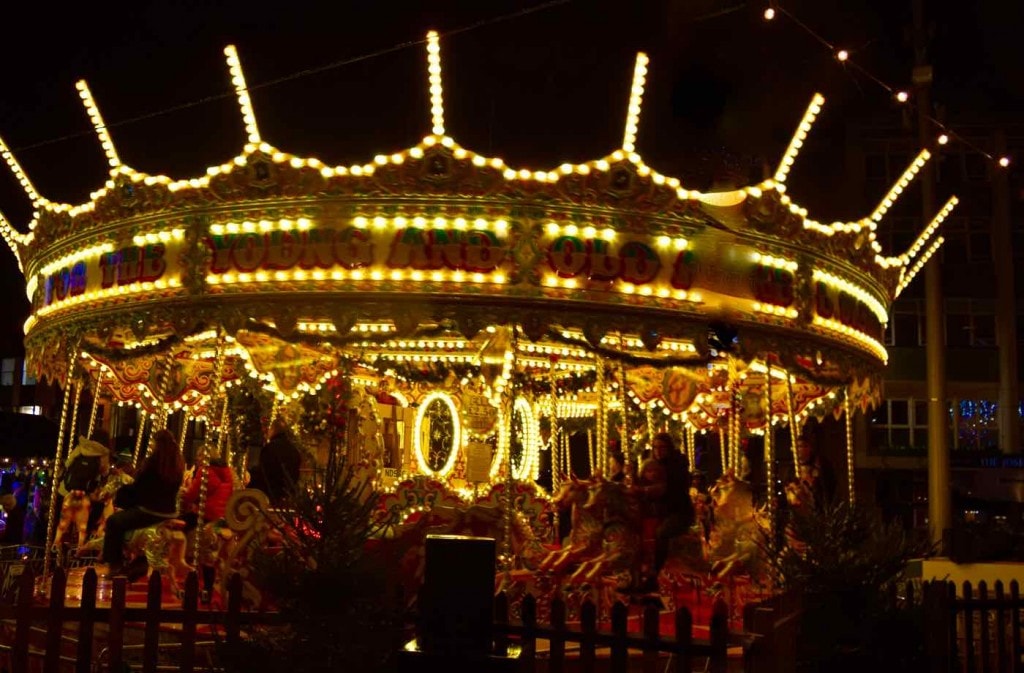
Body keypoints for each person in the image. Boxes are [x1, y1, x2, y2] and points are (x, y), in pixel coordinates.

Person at [97, 429, 185, 577]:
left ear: (158, 444)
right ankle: (136, 560)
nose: (150, 445)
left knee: (113, 521)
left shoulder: (153, 463)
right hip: (169, 511)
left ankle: (114, 564)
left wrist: (123, 493)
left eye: (152, 443)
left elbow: (140, 489)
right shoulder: (177, 464)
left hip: (150, 511)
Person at [635, 432, 695, 583]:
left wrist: (648, 490)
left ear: (669, 448)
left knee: (662, 532)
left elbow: (671, 489)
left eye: (662, 447)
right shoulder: (651, 464)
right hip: (659, 511)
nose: (658, 451)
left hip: (678, 511)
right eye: (655, 447)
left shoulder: (678, 465)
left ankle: (656, 571)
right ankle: (636, 570)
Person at [249, 418, 302, 506]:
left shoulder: (270, 448)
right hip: (286, 494)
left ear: (273, 430)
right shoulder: (294, 450)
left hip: (270, 494)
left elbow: (264, 472)